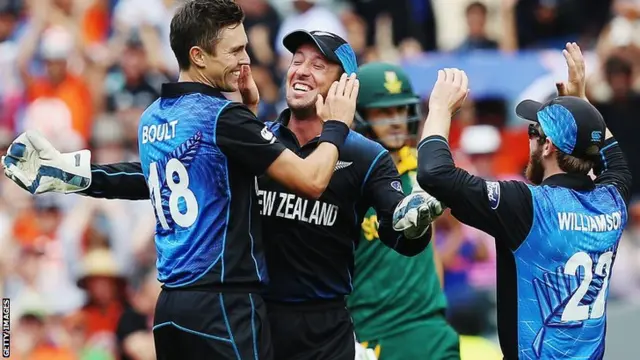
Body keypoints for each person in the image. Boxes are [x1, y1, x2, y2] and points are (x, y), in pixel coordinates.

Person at [2, 29, 439, 360]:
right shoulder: (259, 137)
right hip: (257, 320)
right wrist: (82, 176)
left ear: (346, 85)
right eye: (296, 60)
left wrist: (415, 221)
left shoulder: (367, 156)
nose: (301, 70)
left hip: (327, 327)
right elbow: (159, 175)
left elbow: (402, 233)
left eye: (318, 65)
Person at [413, 42, 631, 359]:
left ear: (548, 146)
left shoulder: (527, 205)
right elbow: (615, 162)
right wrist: (582, 107)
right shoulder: (611, 201)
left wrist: (439, 110)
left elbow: (434, 173)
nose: (528, 138)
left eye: (533, 131)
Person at [348, 62, 460, 360]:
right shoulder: (345, 177)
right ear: (359, 115)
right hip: (375, 334)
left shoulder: (422, 172)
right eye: (383, 112)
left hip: (433, 330)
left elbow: (432, 245)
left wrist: (438, 311)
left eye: (400, 110)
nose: (396, 120)